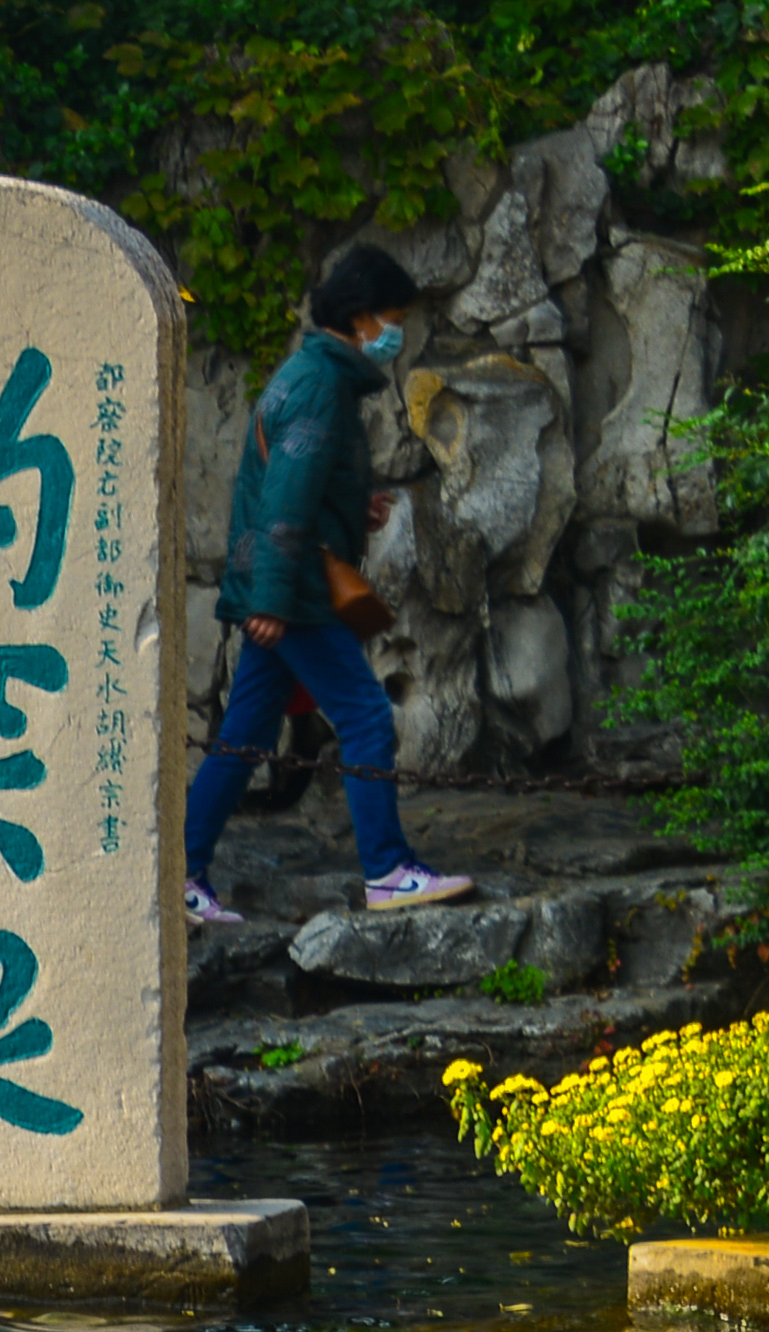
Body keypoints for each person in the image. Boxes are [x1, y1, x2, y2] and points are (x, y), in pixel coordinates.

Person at [186, 244, 473, 926]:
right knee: (368, 716)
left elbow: (298, 485)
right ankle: (386, 868)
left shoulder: (313, 376)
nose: (397, 332)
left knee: (244, 735)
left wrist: (354, 506)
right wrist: (273, 603)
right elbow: (284, 498)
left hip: (283, 582)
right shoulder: (320, 387)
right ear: (362, 318)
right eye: (393, 318)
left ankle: (182, 874)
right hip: (296, 592)